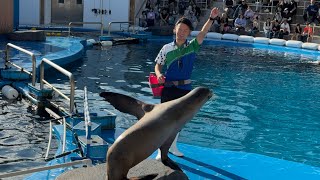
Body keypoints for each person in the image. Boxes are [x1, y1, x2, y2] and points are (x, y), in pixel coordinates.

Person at [154, 7, 220, 158]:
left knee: (180, 120)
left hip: (185, 89)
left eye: (185, 30)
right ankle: (161, 150)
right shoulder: (166, 48)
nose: (182, 31)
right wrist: (158, 74)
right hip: (168, 88)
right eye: (180, 29)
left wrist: (211, 18)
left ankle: (173, 146)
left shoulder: (192, 46)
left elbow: (203, 33)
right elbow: (158, 64)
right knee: (165, 119)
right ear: (174, 29)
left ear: (189, 33)